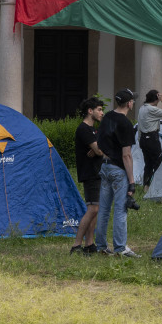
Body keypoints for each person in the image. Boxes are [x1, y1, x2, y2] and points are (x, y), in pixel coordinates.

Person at [94, 88, 139, 257]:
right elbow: (126, 155)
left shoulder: (106, 118)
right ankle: (120, 248)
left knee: (104, 209)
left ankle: (101, 246)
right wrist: (132, 180)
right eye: (133, 100)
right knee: (121, 209)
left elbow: (100, 143)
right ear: (129, 103)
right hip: (118, 170)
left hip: (104, 166)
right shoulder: (126, 124)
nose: (133, 102)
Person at [70, 96, 104, 255]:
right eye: (99, 109)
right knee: (92, 209)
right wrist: (98, 150)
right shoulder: (84, 129)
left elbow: (101, 149)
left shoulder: (94, 130)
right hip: (90, 173)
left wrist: (99, 149)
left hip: (97, 173)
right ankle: (76, 245)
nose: (102, 113)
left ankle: (90, 244)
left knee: (95, 209)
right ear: (90, 111)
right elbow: (99, 151)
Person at [136, 89, 162, 191]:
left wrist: (139, 139)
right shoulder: (151, 109)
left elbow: (139, 126)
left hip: (143, 138)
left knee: (148, 164)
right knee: (158, 163)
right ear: (156, 99)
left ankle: (146, 186)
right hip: (152, 138)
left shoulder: (142, 108)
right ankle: (157, 188)